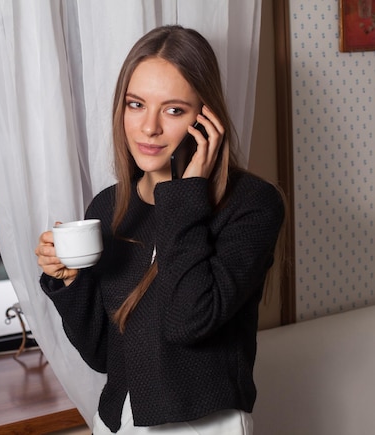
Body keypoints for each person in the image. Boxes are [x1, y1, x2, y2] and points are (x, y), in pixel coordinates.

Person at [35, 25, 285, 434]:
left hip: (207, 425)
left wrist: (186, 195)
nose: (149, 128)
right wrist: (71, 280)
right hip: (118, 424)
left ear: (206, 118)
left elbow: (188, 321)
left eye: (173, 110)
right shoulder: (108, 206)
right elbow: (104, 355)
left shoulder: (251, 205)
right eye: (136, 104)